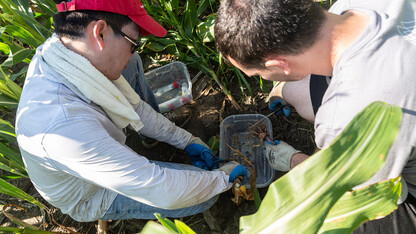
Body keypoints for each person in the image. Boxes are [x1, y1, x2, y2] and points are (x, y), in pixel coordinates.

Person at [15, 0, 247, 222]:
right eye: (133, 43)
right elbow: (159, 188)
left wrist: (186, 141)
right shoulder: (64, 129)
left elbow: (134, 106)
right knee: (205, 197)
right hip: (91, 192)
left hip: (92, 150)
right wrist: (222, 178)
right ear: (100, 33)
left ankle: (148, 140)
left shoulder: (69, 51)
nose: (134, 51)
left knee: (131, 65)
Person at [214, 0, 416, 232]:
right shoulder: (351, 5)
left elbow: (376, 194)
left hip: (405, 192)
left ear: (279, 64)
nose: (261, 77)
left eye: (258, 73)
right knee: (296, 91)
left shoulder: (344, 118)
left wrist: (295, 160)